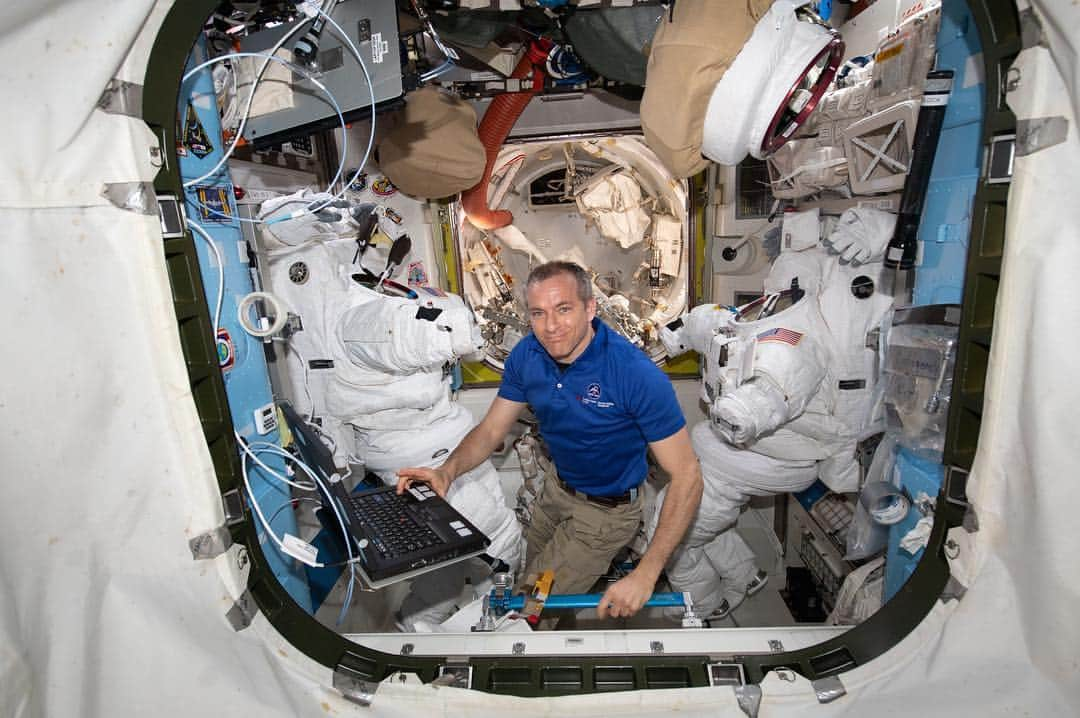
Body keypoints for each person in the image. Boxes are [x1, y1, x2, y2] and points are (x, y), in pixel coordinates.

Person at [398, 261, 702, 619]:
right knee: (531, 578)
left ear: (590, 309)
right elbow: (492, 430)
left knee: (530, 611)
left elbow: (688, 475)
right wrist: (446, 472)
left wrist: (646, 574)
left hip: (605, 514)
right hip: (555, 492)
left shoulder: (634, 373)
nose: (551, 326)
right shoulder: (527, 355)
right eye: (538, 313)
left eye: (563, 309)